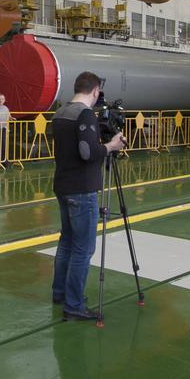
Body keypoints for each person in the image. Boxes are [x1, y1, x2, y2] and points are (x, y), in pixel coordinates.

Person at [51, 71, 126, 321]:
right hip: (81, 189)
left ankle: (59, 292)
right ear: (95, 91)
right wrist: (110, 146)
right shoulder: (85, 115)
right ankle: (73, 305)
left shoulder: (61, 112)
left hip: (62, 185)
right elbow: (86, 151)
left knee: (67, 243)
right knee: (83, 249)